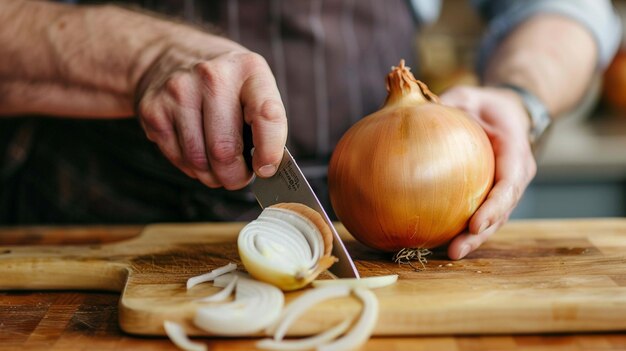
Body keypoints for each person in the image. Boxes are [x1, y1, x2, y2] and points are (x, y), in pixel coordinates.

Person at [0, 0, 621, 260]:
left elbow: (563, 9)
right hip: (88, 219)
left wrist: (518, 94)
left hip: (348, 232)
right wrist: (139, 56)